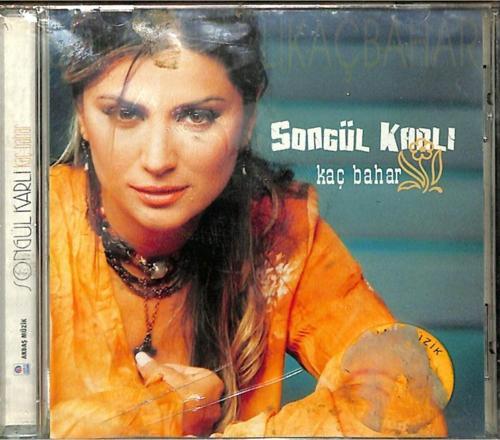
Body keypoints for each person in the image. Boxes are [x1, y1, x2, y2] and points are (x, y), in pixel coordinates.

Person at [49, 8, 448, 438]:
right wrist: (167, 413)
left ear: (248, 118)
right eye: (126, 115)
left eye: (196, 116)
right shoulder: (31, 226)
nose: (157, 159)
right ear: (83, 115)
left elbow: (407, 400)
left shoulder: (279, 229)